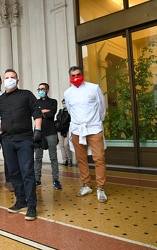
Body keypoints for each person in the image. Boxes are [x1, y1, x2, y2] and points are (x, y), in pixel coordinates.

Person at [0, 69, 42, 221]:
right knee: (13, 172)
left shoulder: (26, 95)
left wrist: (37, 130)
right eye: (7, 78)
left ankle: (32, 205)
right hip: (7, 141)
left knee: (27, 172)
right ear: (3, 81)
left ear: (17, 81)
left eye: (13, 77)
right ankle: (21, 200)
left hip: (25, 140)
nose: (10, 79)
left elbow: (37, 113)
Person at [64, 66, 108, 203]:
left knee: (99, 158)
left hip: (94, 128)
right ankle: (86, 185)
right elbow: (70, 110)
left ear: (83, 74)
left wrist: (97, 121)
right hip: (77, 129)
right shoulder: (68, 93)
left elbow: (102, 107)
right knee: (81, 159)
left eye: (78, 74)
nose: (76, 77)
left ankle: (101, 187)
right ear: (70, 77)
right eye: (73, 75)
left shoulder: (93, 88)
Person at [34, 83, 62, 190]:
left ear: (47, 90)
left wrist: (41, 113)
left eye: (43, 89)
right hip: (39, 133)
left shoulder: (53, 101)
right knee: (37, 158)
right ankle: (37, 179)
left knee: (53, 157)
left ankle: (56, 179)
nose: (41, 91)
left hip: (51, 132)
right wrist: (44, 112)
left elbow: (52, 114)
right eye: (39, 89)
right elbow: (34, 116)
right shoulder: (36, 102)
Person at [55, 99, 72, 166]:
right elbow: (58, 118)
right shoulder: (60, 111)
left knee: (66, 144)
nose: (64, 104)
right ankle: (65, 160)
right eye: (63, 103)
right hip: (60, 129)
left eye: (65, 103)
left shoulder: (70, 112)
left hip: (67, 129)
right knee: (61, 145)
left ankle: (69, 158)